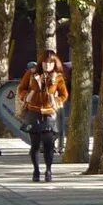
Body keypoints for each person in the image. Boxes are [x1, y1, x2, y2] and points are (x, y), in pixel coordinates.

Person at [18, 50, 70, 183]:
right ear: (41, 62)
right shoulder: (31, 74)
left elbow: (64, 94)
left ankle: (48, 170)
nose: (47, 65)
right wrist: (28, 95)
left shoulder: (58, 77)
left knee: (48, 144)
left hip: (49, 113)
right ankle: (36, 171)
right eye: (45, 63)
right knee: (35, 145)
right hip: (33, 112)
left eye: (51, 63)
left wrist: (56, 101)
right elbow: (21, 89)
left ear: (55, 64)